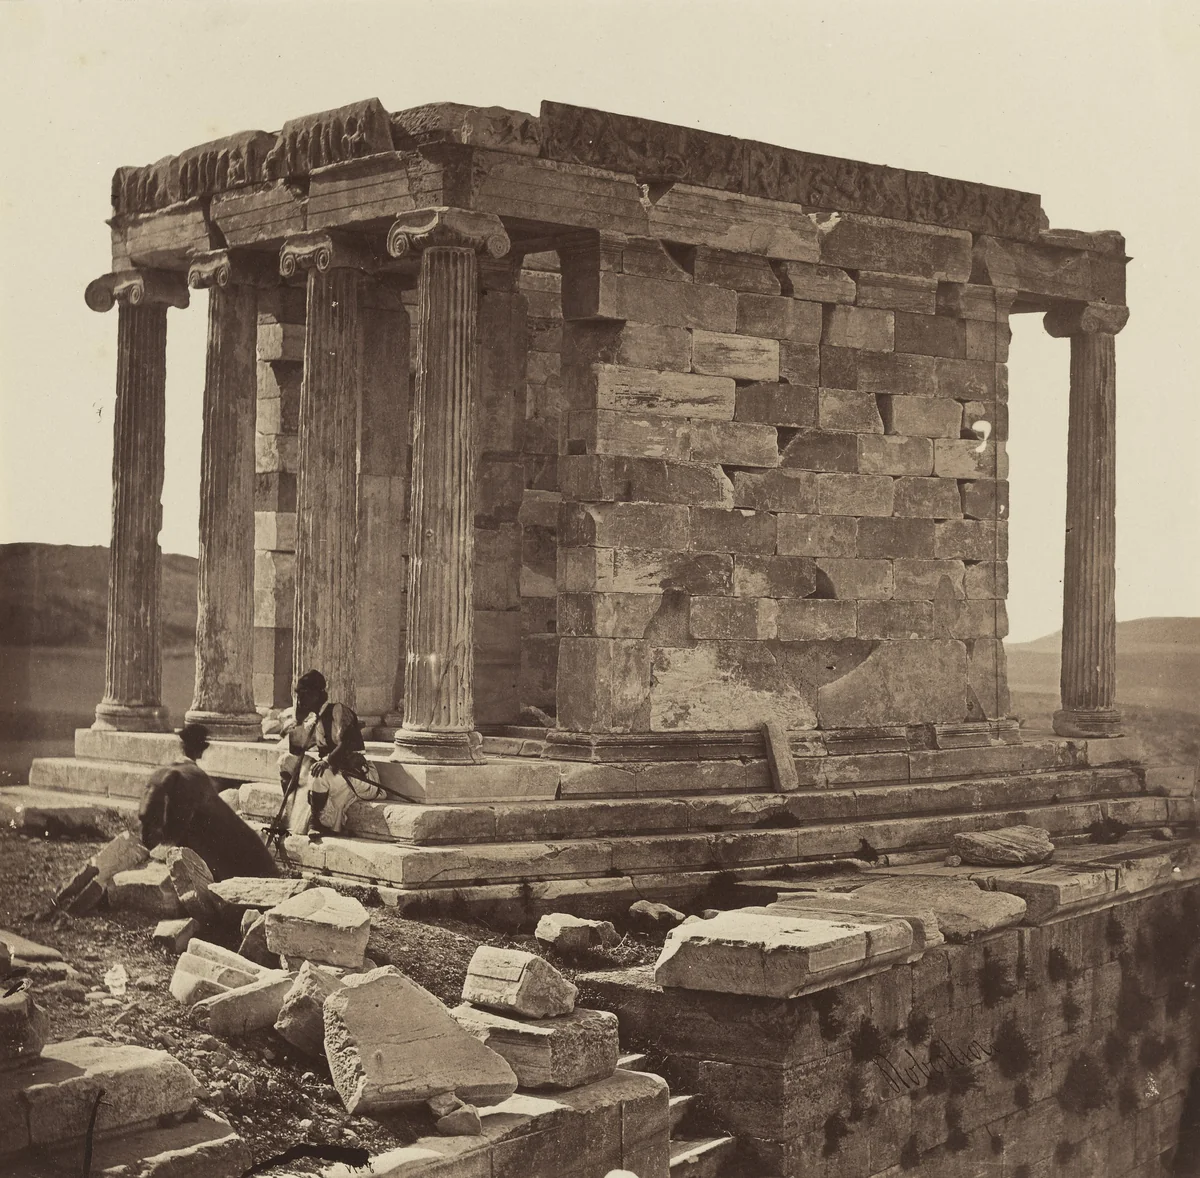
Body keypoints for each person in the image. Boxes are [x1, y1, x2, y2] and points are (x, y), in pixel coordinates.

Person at [140, 723, 279, 879]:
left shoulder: (160, 772)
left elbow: (150, 816)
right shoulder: (195, 775)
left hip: (164, 836)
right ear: (200, 750)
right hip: (204, 838)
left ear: (182, 746)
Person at [276, 670, 385, 837]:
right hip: (332, 774)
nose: (300, 699)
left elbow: (349, 742)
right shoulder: (314, 721)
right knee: (285, 761)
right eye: (298, 695)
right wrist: (298, 720)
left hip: (354, 774)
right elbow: (296, 750)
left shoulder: (338, 711)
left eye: (304, 693)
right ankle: (290, 809)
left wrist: (327, 761)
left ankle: (316, 821)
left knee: (319, 774)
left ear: (317, 694)